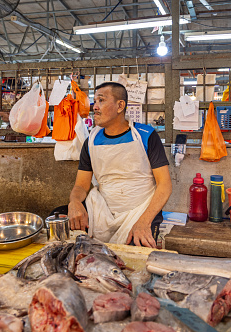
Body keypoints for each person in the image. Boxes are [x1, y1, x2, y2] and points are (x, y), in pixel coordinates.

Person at [68, 82, 172, 248]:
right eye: (95, 101)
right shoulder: (91, 141)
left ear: (120, 106)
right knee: (66, 232)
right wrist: (74, 202)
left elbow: (164, 185)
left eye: (101, 100)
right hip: (102, 211)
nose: (95, 107)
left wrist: (143, 222)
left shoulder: (146, 136)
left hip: (140, 210)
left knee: (134, 254)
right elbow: (81, 185)